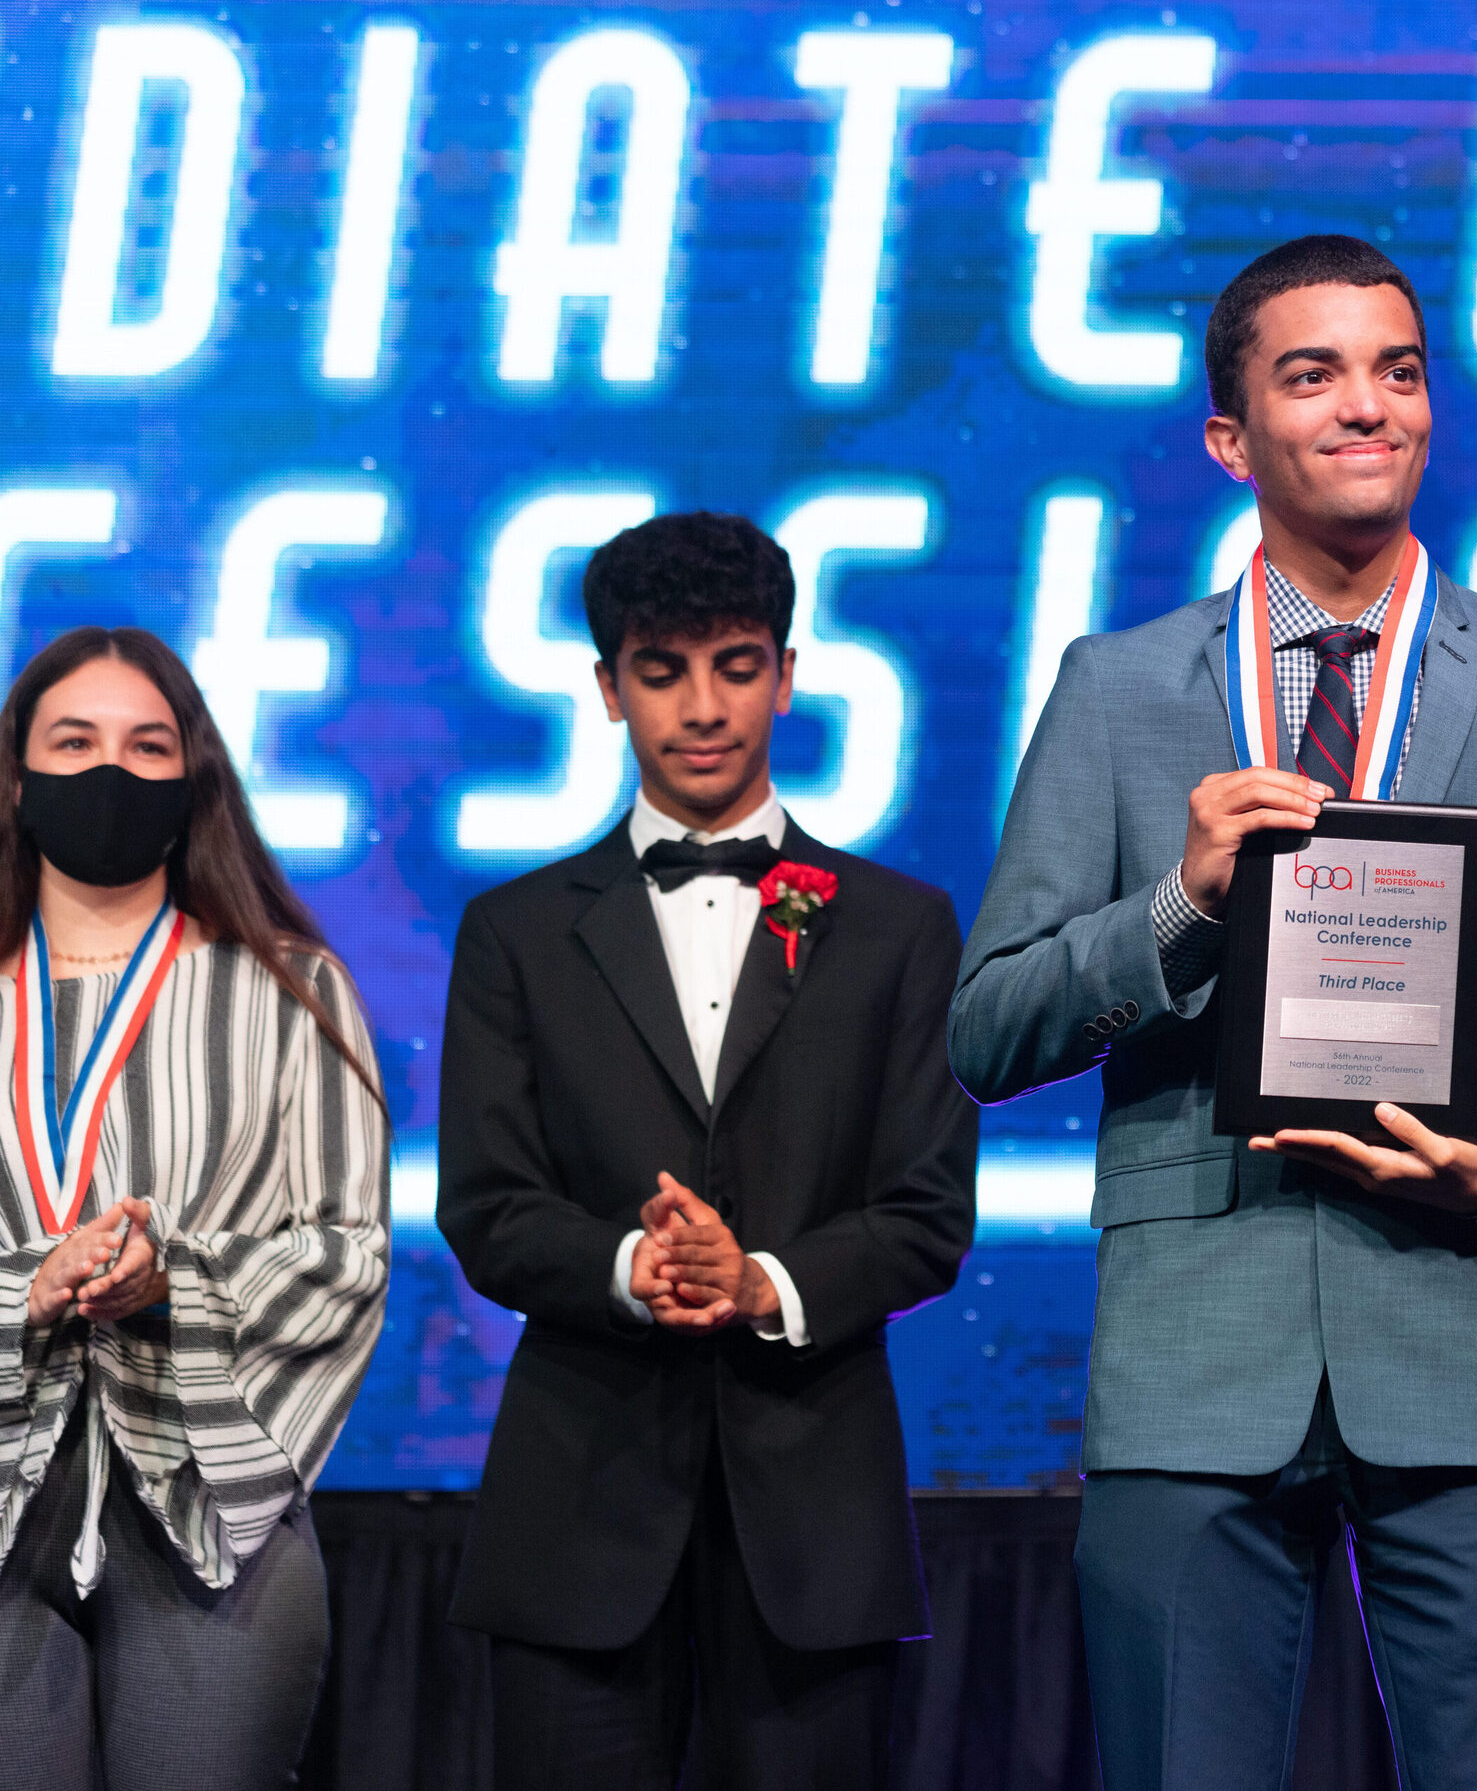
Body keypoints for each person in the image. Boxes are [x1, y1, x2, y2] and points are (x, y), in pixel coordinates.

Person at [951, 234, 1477, 1789]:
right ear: (1230, 439)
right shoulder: (1118, 687)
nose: (1369, 404)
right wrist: (1180, 901)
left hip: (1464, 1334)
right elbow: (988, 1028)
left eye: (1398, 370)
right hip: (1193, 1352)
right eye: (1314, 375)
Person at [437, 512, 980, 1789]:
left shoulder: (899, 925)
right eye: (660, 670)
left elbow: (925, 1213)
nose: (700, 707)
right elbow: (489, 1205)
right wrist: (632, 1267)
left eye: (735, 667)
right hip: (578, 1508)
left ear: (786, 677)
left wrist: (760, 1283)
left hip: (816, 1517)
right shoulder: (514, 931)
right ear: (606, 688)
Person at [0, 626, 390, 1789]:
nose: (110, 772)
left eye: (146, 746)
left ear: (193, 779)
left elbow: (347, 1253)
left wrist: (173, 1280)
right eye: (75, 742)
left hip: (211, 1517)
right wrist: (29, 1290)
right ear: (17, 777)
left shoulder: (291, 987)